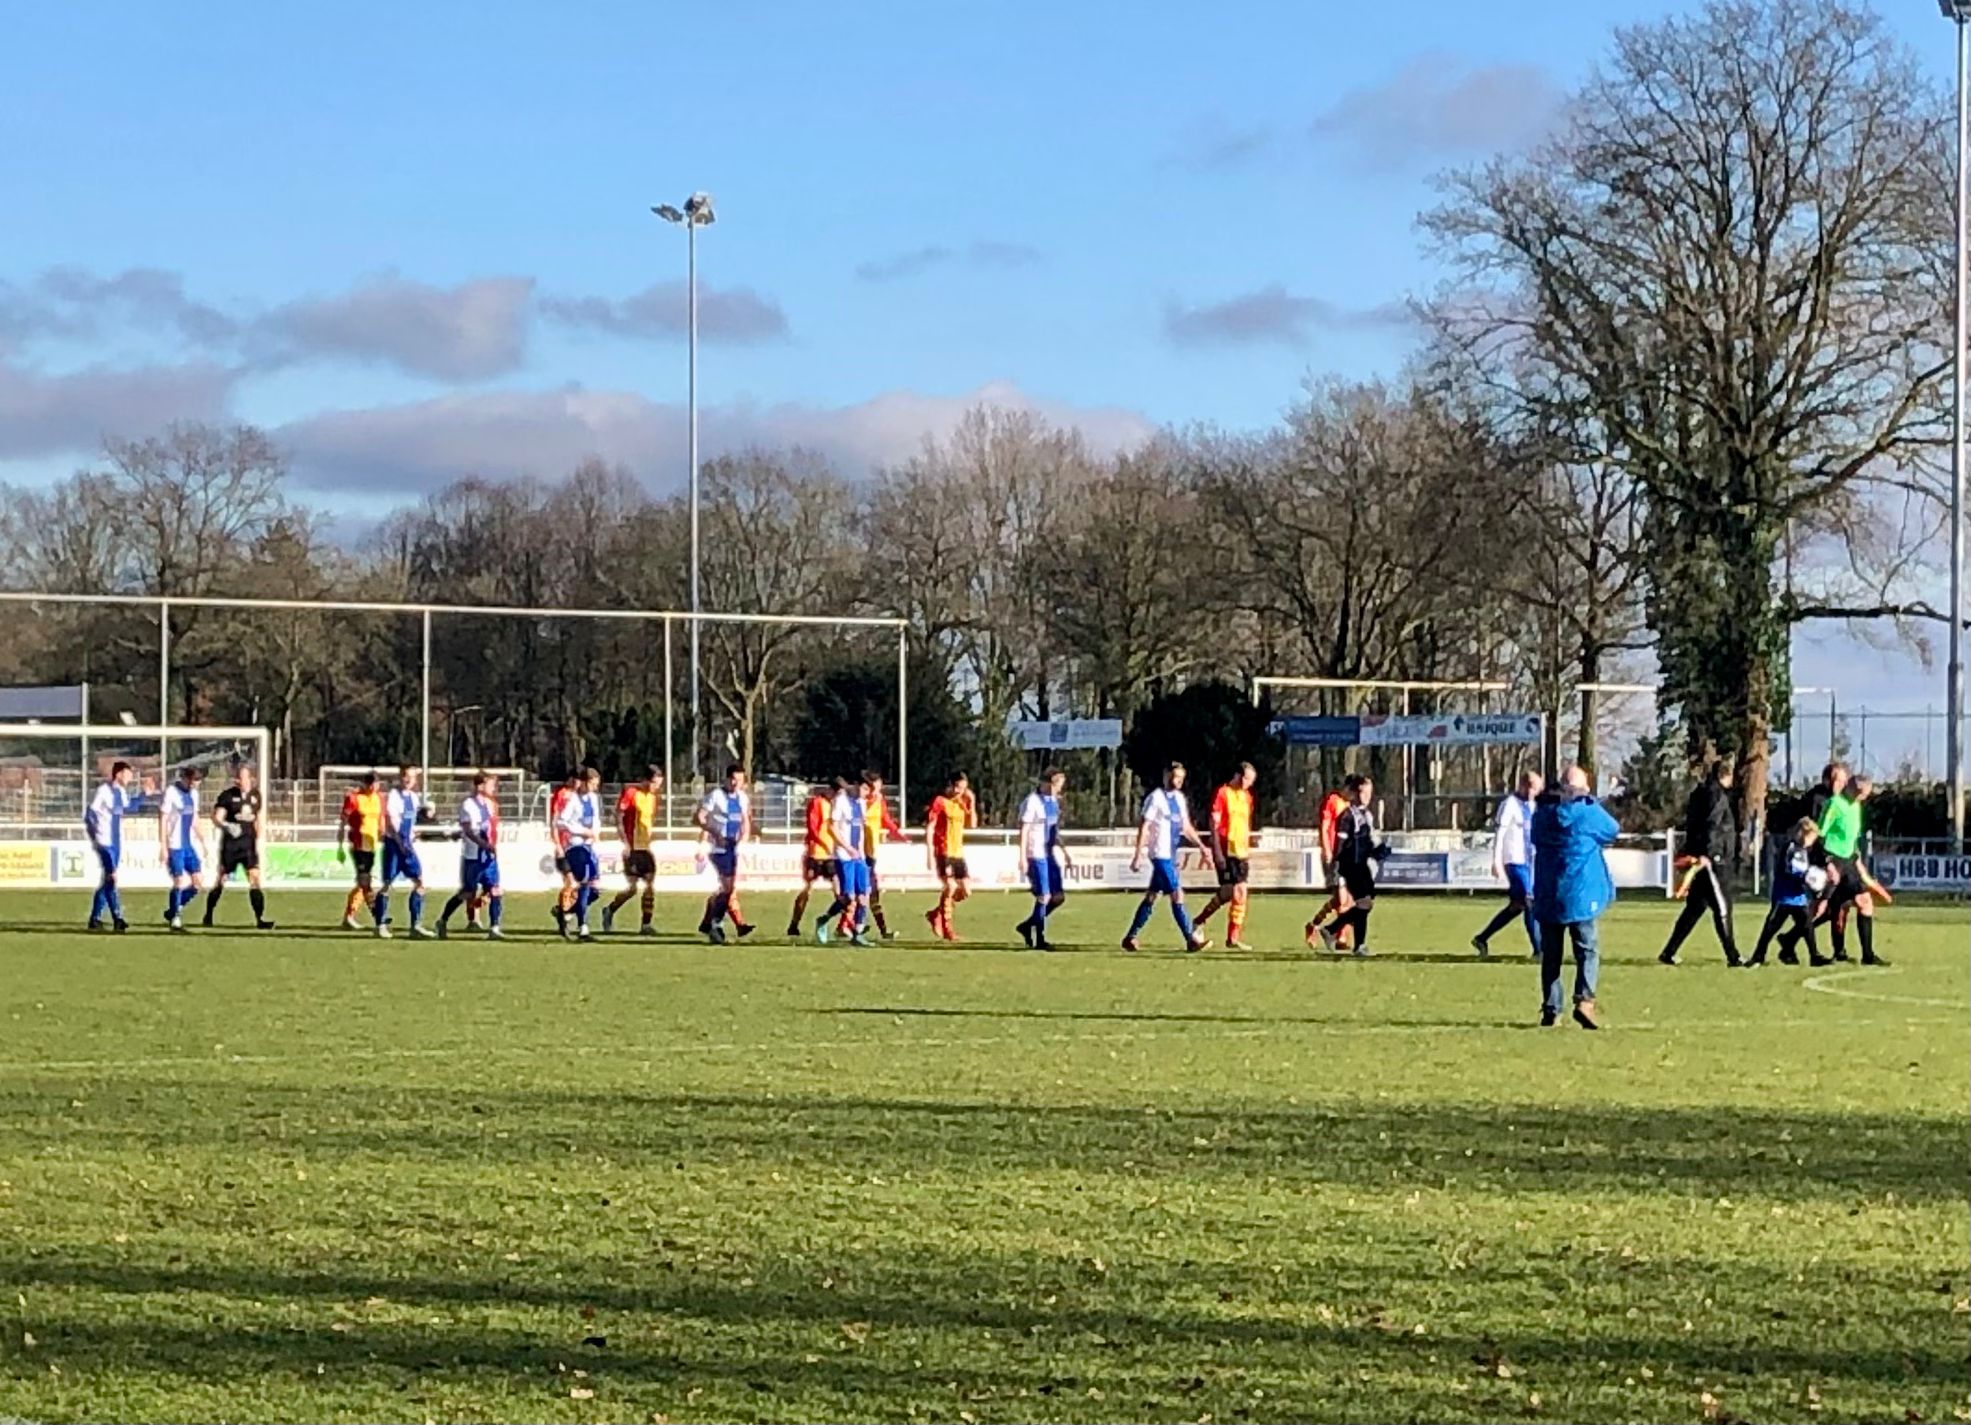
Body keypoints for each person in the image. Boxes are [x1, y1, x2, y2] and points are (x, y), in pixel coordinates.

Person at [1530, 764, 1620, 1029]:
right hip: (1581, 893)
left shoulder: (1542, 814)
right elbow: (1612, 829)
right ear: (1582, 787)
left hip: (1548, 891)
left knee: (1551, 955)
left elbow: (1534, 838)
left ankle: (1551, 1008)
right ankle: (1584, 1001)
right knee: (1587, 950)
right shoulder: (1586, 811)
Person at [1121, 762, 1213, 954]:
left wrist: (1202, 846)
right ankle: (1191, 939)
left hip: (1170, 854)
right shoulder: (1155, 798)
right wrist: (1138, 854)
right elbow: (1145, 827)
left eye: (1180, 778)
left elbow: (1186, 827)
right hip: (1159, 854)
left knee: (1152, 895)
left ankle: (1130, 937)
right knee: (1177, 894)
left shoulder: (1179, 799)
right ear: (1165, 776)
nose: (1177, 781)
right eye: (1174, 777)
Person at [1658, 761, 1741, 967]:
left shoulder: (1700, 793)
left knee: (1695, 907)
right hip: (1712, 860)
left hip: (1700, 855)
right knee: (1722, 906)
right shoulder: (1717, 796)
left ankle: (1669, 952)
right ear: (1726, 775)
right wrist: (1710, 853)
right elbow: (1711, 825)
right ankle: (1733, 956)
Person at [1471, 768, 1542, 958]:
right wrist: (1496, 861)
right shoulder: (1510, 804)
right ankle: (1539, 950)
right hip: (1514, 861)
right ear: (1524, 785)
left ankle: (1481, 938)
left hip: (1530, 861)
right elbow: (1500, 834)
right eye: (1533, 789)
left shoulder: (1534, 805)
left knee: (1517, 906)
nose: (1534, 793)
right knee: (1529, 901)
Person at [1319, 774, 1389, 956]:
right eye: (1365, 793)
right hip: (1351, 866)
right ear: (1357, 793)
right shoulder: (1347, 815)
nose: (1368, 797)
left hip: (1362, 865)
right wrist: (1336, 864)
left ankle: (1350, 940)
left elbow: (1366, 842)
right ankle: (1337, 933)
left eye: (1370, 793)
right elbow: (1341, 843)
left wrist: (1378, 851)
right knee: (1364, 903)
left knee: (1364, 904)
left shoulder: (1367, 815)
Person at [1745, 817, 1829, 968]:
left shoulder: (1803, 850)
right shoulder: (1790, 848)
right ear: (1803, 834)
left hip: (1798, 896)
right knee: (1771, 927)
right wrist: (1806, 877)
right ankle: (1758, 956)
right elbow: (1788, 869)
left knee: (1807, 925)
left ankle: (1814, 956)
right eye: (1811, 838)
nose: (1812, 842)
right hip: (1784, 896)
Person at [1193, 763, 1258, 949]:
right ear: (1237, 775)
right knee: (1234, 891)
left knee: (1235, 892)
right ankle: (1207, 925)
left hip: (1242, 852)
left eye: (1251, 781)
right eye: (1247, 779)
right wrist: (1217, 851)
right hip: (1226, 849)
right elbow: (1214, 824)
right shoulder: (1223, 793)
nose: (1249, 784)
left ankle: (1226, 934)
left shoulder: (1247, 797)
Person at [205, 762, 274, 929]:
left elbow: (257, 818)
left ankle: (260, 919)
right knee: (221, 880)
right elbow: (216, 817)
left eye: (245, 778)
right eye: (240, 778)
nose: (242, 781)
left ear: (251, 778)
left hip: (248, 846)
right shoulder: (227, 796)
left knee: (255, 879)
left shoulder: (256, 796)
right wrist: (226, 825)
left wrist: (259, 836)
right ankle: (208, 914)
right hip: (231, 847)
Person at [694, 763, 756, 944]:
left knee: (726, 889)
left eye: (740, 780)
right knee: (728, 888)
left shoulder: (742, 797)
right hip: (718, 849)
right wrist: (714, 833)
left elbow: (745, 819)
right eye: (733, 780)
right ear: (727, 779)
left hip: (732, 848)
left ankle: (708, 923)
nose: (736, 783)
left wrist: (745, 835)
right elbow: (698, 817)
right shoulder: (716, 795)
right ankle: (716, 924)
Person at [437, 771, 503, 939]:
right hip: (473, 856)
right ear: (480, 786)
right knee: (467, 893)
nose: (494, 788)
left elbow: (493, 827)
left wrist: (493, 844)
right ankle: (443, 920)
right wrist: (484, 844)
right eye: (491, 784)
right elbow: (468, 831)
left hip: (488, 857)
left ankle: (494, 927)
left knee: (495, 889)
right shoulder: (468, 805)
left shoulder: (491, 804)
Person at [603, 766, 663, 936]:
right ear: (645, 780)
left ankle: (646, 924)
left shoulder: (652, 798)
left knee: (650, 885)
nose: (656, 787)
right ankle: (609, 910)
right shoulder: (631, 793)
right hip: (632, 848)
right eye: (654, 783)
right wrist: (625, 843)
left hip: (645, 848)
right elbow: (619, 818)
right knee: (632, 889)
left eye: (659, 784)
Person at [375, 764, 433, 939]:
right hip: (394, 845)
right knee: (387, 885)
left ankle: (416, 926)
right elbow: (392, 823)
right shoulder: (393, 796)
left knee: (420, 882)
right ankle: (380, 925)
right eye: (406, 776)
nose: (409, 780)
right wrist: (401, 843)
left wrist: (412, 835)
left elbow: (410, 822)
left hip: (407, 845)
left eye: (412, 777)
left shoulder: (414, 798)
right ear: (400, 777)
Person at [1015, 768, 1070, 950]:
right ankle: (1039, 938)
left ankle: (1027, 926)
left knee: (1058, 897)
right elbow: (1024, 830)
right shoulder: (1032, 802)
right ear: (1046, 783)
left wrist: (1065, 851)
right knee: (1044, 896)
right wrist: (1023, 857)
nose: (1058, 789)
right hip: (1036, 854)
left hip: (1049, 854)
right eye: (1056, 785)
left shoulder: (1053, 801)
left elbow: (1054, 830)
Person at [852, 771, 908, 940]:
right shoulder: (857, 803)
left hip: (871, 854)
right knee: (861, 894)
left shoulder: (879, 801)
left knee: (871, 893)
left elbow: (886, 819)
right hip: (858, 854)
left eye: (879, 788)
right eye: (874, 788)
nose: (877, 791)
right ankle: (852, 927)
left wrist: (898, 834)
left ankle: (877, 930)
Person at [819, 776, 873, 946]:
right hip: (844, 855)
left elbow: (861, 828)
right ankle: (823, 920)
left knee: (863, 895)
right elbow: (832, 827)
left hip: (859, 855)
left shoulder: (861, 803)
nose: (866, 793)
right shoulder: (840, 801)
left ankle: (858, 934)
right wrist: (847, 847)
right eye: (864, 789)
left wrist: (863, 852)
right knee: (848, 898)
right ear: (855, 785)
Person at [924, 773, 976, 941]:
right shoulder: (940, 802)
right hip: (943, 851)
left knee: (966, 891)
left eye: (963, 788)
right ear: (951, 786)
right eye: (958, 787)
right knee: (951, 886)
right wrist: (929, 853)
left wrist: (972, 802)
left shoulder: (962, 803)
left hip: (958, 853)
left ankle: (936, 913)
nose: (960, 791)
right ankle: (947, 929)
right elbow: (930, 827)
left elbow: (972, 825)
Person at [85, 760, 134, 933]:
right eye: (128, 774)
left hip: (116, 842)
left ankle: (95, 919)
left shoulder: (121, 792)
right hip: (105, 841)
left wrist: (145, 795)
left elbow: (130, 808)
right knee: (111, 878)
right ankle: (117, 919)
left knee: (108, 879)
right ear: (118, 774)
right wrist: (95, 837)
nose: (130, 778)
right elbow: (90, 815)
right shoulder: (103, 791)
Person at [1303, 782, 1354, 948]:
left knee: (1344, 900)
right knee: (1342, 899)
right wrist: (1327, 850)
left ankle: (1331, 933)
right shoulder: (1333, 800)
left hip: (1345, 856)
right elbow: (1324, 828)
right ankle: (1337, 937)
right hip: (1333, 855)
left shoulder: (1348, 805)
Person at [556, 766, 604, 940]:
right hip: (576, 847)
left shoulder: (593, 798)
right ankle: (583, 928)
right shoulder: (573, 800)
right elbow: (561, 822)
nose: (595, 787)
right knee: (585, 884)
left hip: (589, 847)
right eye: (592, 784)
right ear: (583, 782)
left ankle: (566, 913)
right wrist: (582, 831)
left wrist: (594, 833)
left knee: (596, 890)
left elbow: (596, 819)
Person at [159, 764, 208, 933]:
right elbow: (163, 819)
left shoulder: (194, 794)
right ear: (187, 778)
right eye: (195, 780)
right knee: (179, 881)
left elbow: (194, 819)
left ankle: (173, 910)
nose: (197, 784)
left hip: (188, 845)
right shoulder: (172, 792)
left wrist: (203, 841)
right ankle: (176, 918)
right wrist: (163, 846)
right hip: (175, 845)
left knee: (198, 882)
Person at [788, 781, 838, 938]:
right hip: (815, 854)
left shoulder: (833, 805)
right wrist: (824, 844)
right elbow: (813, 828)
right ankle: (794, 924)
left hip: (830, 855)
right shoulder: (817, 803)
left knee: (840, 892)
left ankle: (844, 926)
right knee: (807, 890)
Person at [336, 771, 385, 931]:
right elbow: (343, 822)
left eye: (375, 784)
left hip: (372, 845)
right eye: (370, 784)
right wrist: (340, 845)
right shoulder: (354, 798)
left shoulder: (378, 798)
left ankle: (348, 917)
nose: (373, 787)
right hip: (358, 846)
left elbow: (381, 819)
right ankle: (378, 915)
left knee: (361, 883)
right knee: (365, 881)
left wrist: (383, 835)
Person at [549, 770, 581, 933]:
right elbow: (554, 821)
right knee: (570, 882)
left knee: (578, 886)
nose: (577, 783)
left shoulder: (579, 797)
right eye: (575, 780)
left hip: (576, 846)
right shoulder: (561, 794)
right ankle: (563, 917)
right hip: (563, 845)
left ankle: (562, 912)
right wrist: (557, 844)